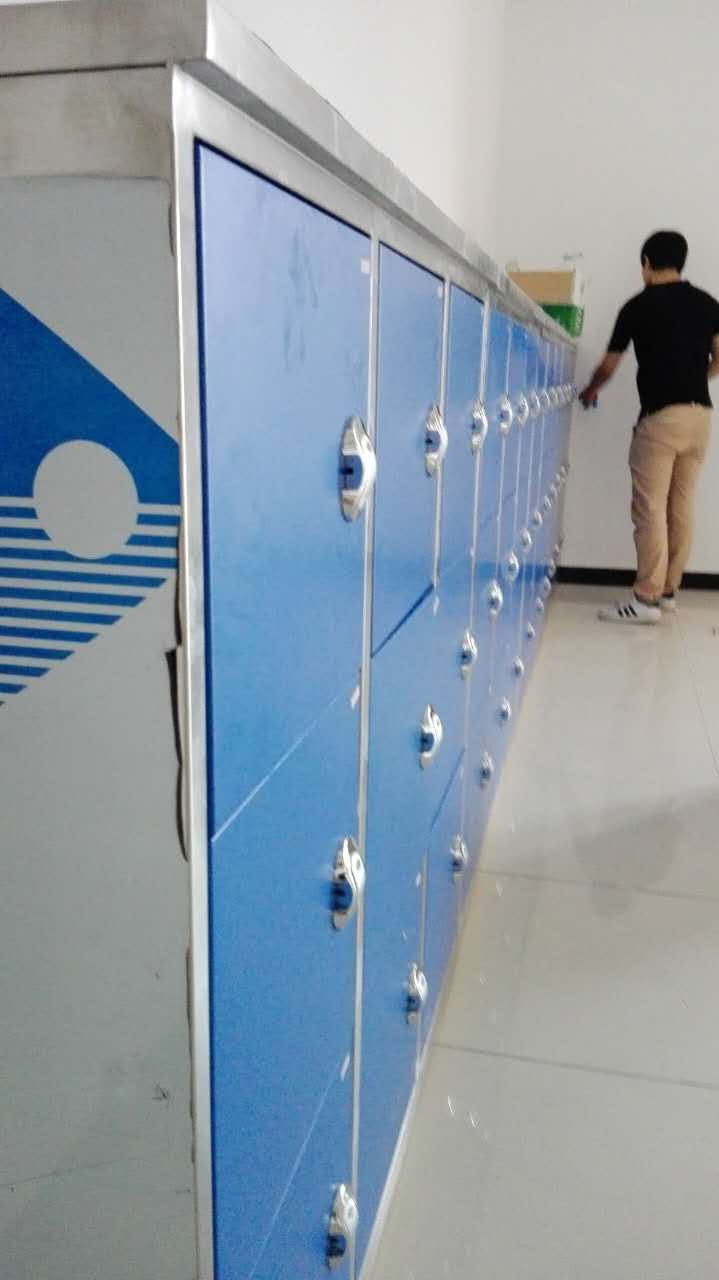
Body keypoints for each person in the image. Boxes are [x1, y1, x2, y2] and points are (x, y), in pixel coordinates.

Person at [580, 230, 719, 624]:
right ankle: (668, 592)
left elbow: (608, 365)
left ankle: (645, 599)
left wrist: (590, 389)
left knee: (650, 509)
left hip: (660, 419)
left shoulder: (638, 306)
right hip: (700, 417)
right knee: (681, 505)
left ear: (645, 263)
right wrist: (694, 378)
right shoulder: (707, 302)